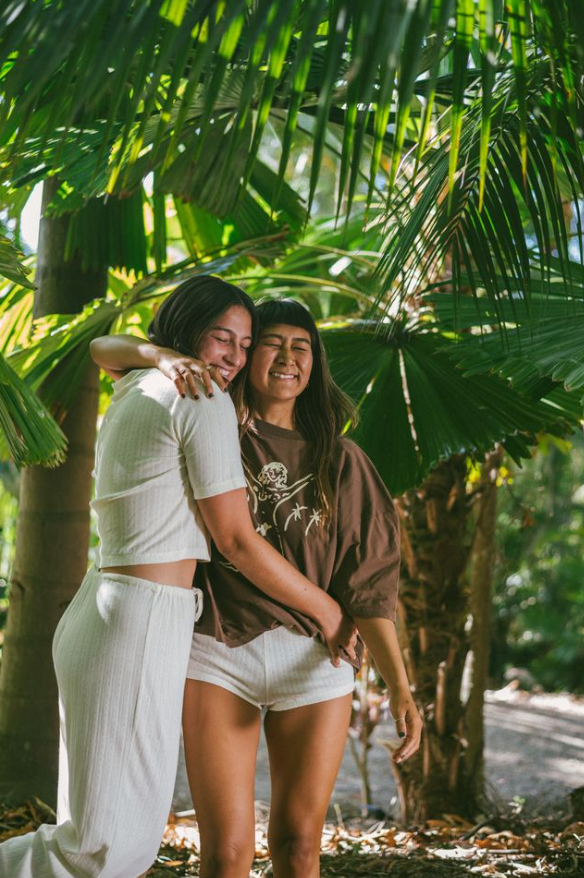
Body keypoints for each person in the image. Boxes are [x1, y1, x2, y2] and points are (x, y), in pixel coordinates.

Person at [0, 278, 356, 878]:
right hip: (138, 619)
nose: (234, 357)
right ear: (188, 330)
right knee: (105, 851)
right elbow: (236, 539)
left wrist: (158, 354)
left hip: (107, 606)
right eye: (221, 338)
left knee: (98, 839)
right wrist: (327, 609)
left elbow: (103, 348)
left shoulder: (141, 381)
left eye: (244, 345)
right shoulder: (201, 398)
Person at [91, 296, 423, 878]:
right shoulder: (204, 414)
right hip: (217, 652)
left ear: (315, 363)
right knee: (225, 854)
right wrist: (164, 357)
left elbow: (368, 583)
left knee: (298, 845)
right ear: (246, 356)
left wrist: (398, 684)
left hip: (315, 663)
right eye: (271, 343)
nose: (288, 357)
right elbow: (104, 350)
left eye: (302, 347)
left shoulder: (343, 461)